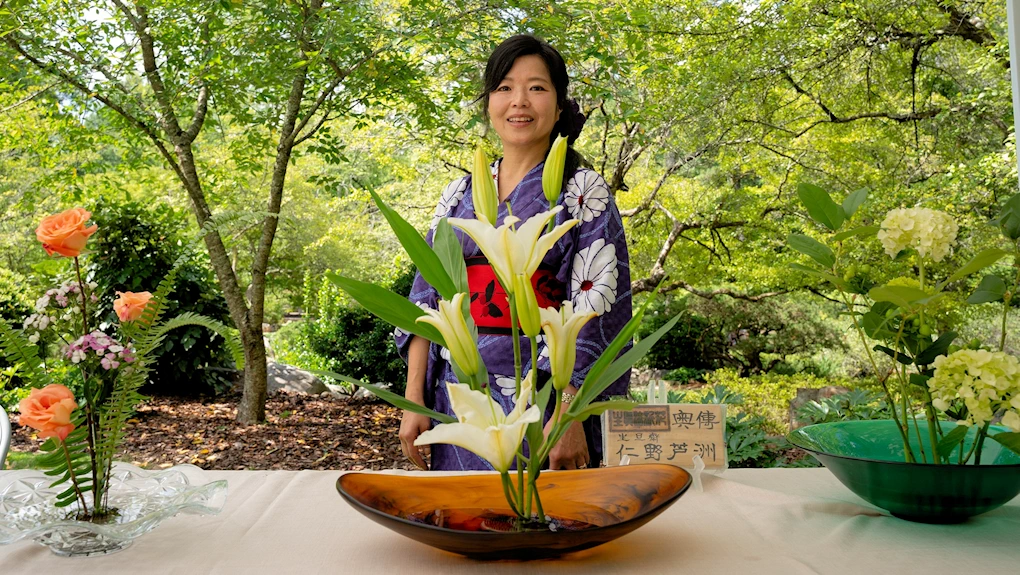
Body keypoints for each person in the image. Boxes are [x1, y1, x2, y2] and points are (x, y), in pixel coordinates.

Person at [395, 34, 631, 471]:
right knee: (468, 526)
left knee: (544, 525)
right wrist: (416, 402)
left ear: (559, 106)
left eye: (537, 88)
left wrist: (569, 414)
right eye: (504, 88)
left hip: (545, 401)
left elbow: (598, 308)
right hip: (463, 394)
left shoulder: (583, 191)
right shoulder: (459, 194)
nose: (519, 101)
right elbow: (426, 304)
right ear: (488, 104)